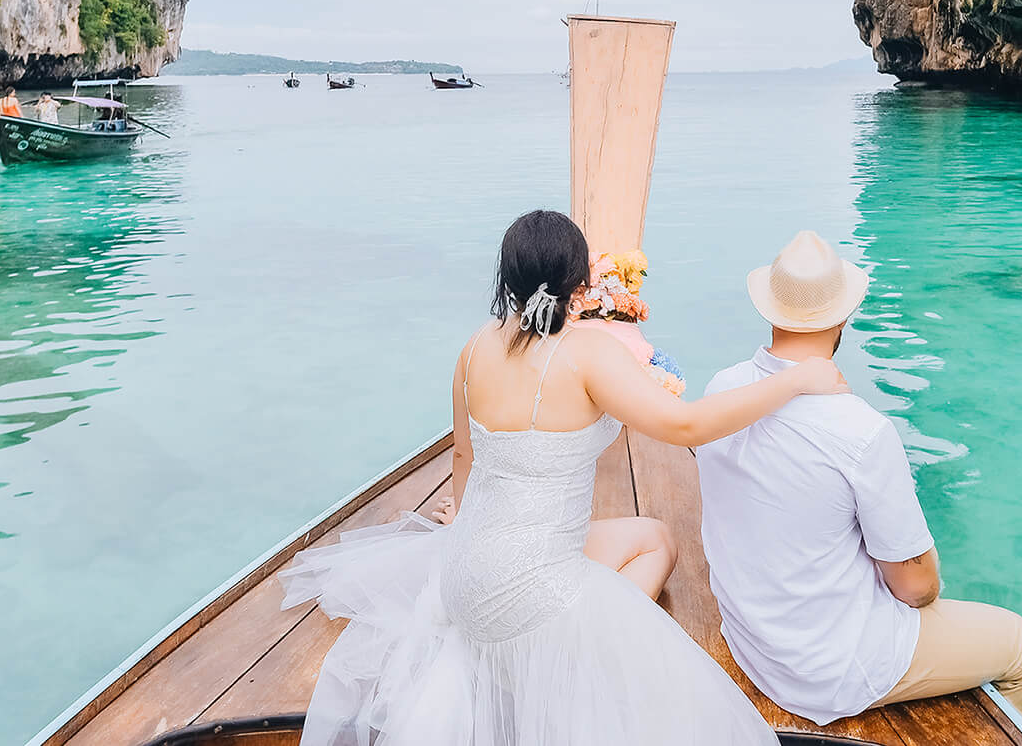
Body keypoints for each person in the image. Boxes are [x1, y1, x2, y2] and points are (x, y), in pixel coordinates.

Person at [278, 209, 847, 746]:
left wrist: (461, 518)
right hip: (529, 595)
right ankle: (579, 652)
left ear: (507, 279)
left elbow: (464, 461)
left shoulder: (474, 348)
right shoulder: (587, 352)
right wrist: (796, 382)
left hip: (461, 576)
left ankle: (567, 636)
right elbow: (685, 425)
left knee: (653, 537)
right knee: (659, 554)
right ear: (579, 289)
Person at [695, 230, 1022, 727]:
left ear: (769, 311)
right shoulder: (861, 431)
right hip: (826, 671)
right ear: (842, 316)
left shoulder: (723, 389)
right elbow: (916, 589)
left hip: (751, 637)